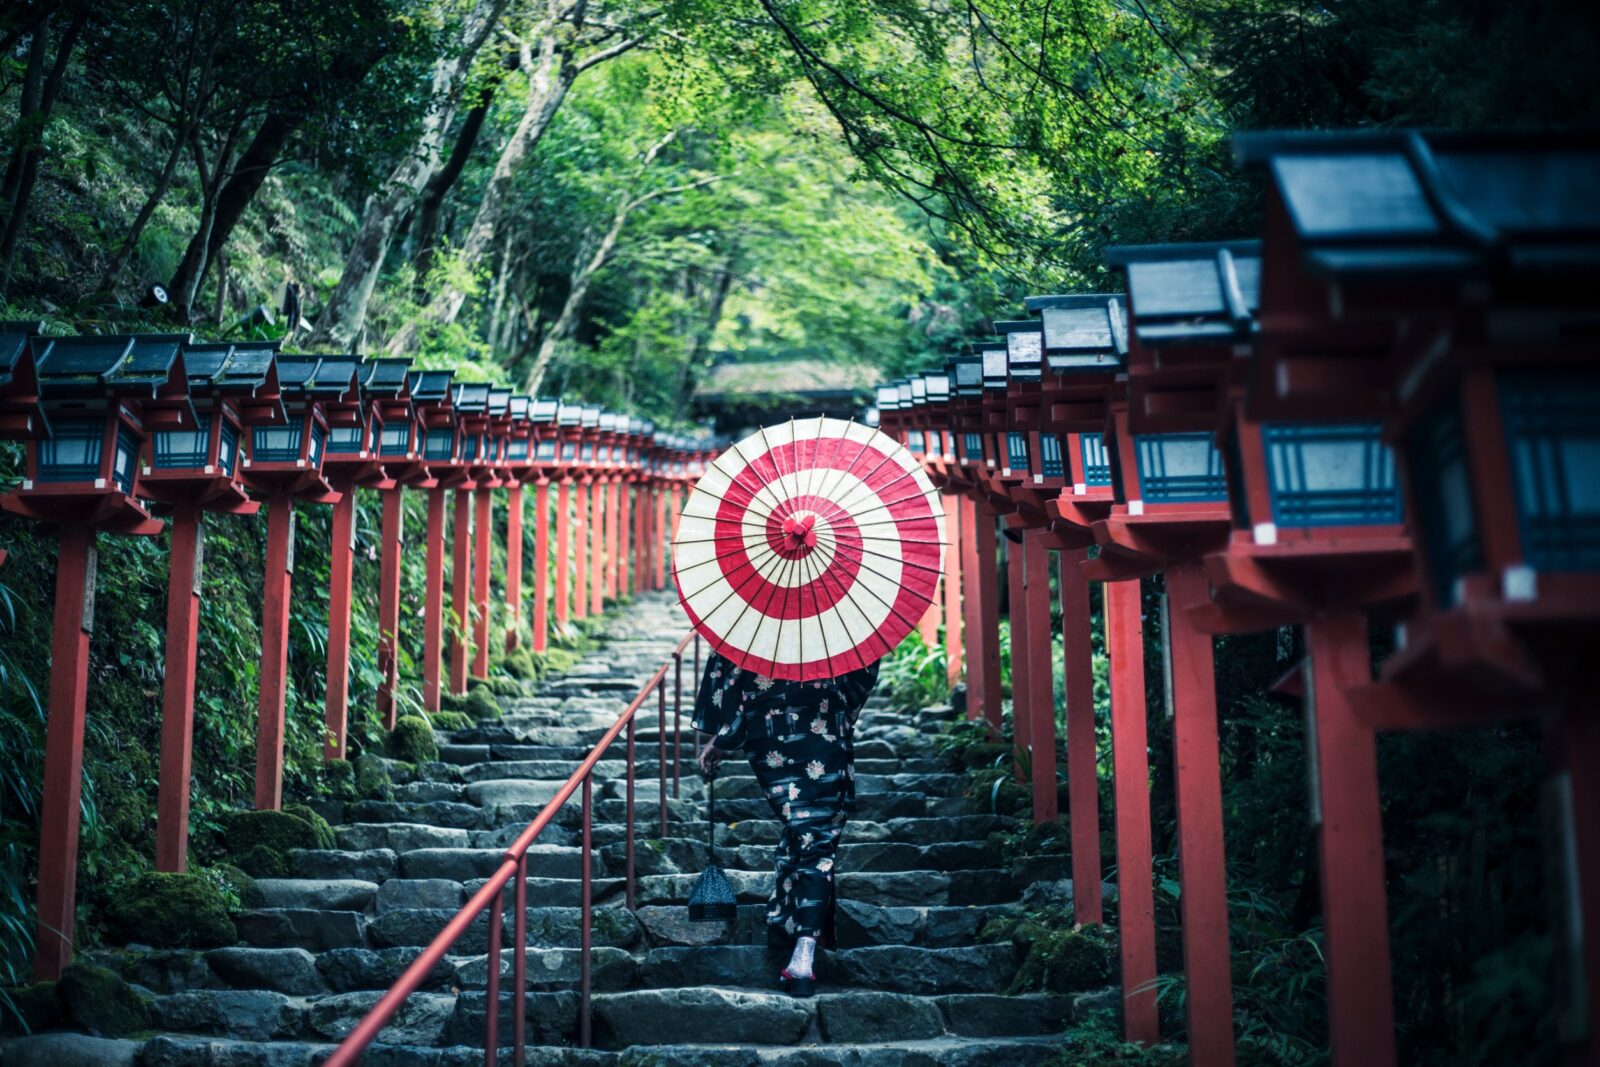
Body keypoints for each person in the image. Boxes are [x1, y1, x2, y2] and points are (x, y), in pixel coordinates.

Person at [692, 649, 879, 997]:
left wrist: (721, 738)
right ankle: (803, 949)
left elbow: (732, 680)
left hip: (772, 734)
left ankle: (789, 930)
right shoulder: (833, 624)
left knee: (806, 832)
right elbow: (862, 675)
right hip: (825, 734)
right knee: (816, 837)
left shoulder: (753, 620)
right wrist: (835, 700)